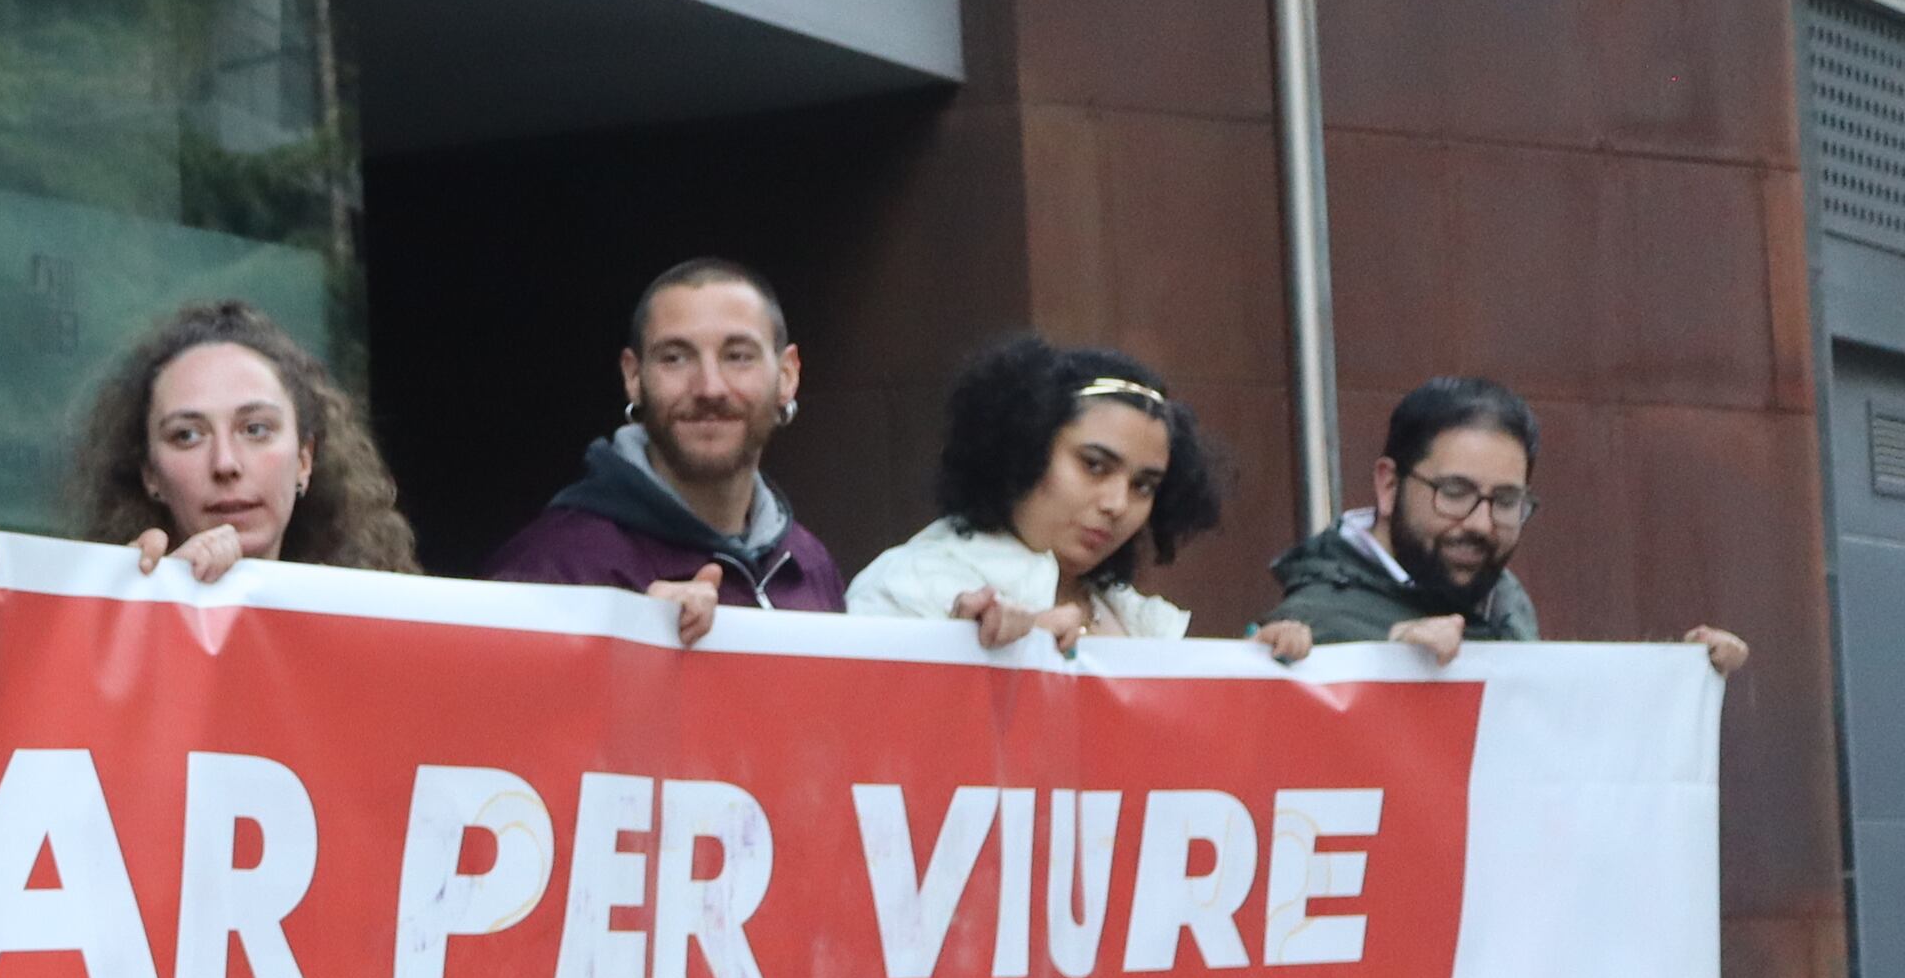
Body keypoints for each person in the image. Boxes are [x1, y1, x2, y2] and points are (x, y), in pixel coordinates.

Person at [846, 337, 1314, 659]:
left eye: (1144, 486)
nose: (1117, 503)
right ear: (1023, 448)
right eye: (1094, 465)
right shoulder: (909, 584)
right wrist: (961, 651)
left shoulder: (1135, 617)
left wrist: (1256, 674)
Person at [1267, 375, 1750, 675]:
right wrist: (1382, 665)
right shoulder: (1312, 625)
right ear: (1389, 486)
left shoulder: (1506, 602)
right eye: (1454, 493)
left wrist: (1683, 674)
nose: (1480, 524)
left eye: (1505, 501)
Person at [484, 257, 847, 636]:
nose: (710, 388)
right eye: (675, 358)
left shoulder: (810, 565)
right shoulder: (552, 569)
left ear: (787, 375)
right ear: (634, 377)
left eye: (738, 356)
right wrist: (638, 647)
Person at [71, 293, 418, 575]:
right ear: (151, 475)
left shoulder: (376, 627)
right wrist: (152, 611)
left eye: (255, 429)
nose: (225, 463)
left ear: (304, 460)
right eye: (187, 436)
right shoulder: (106, 618)